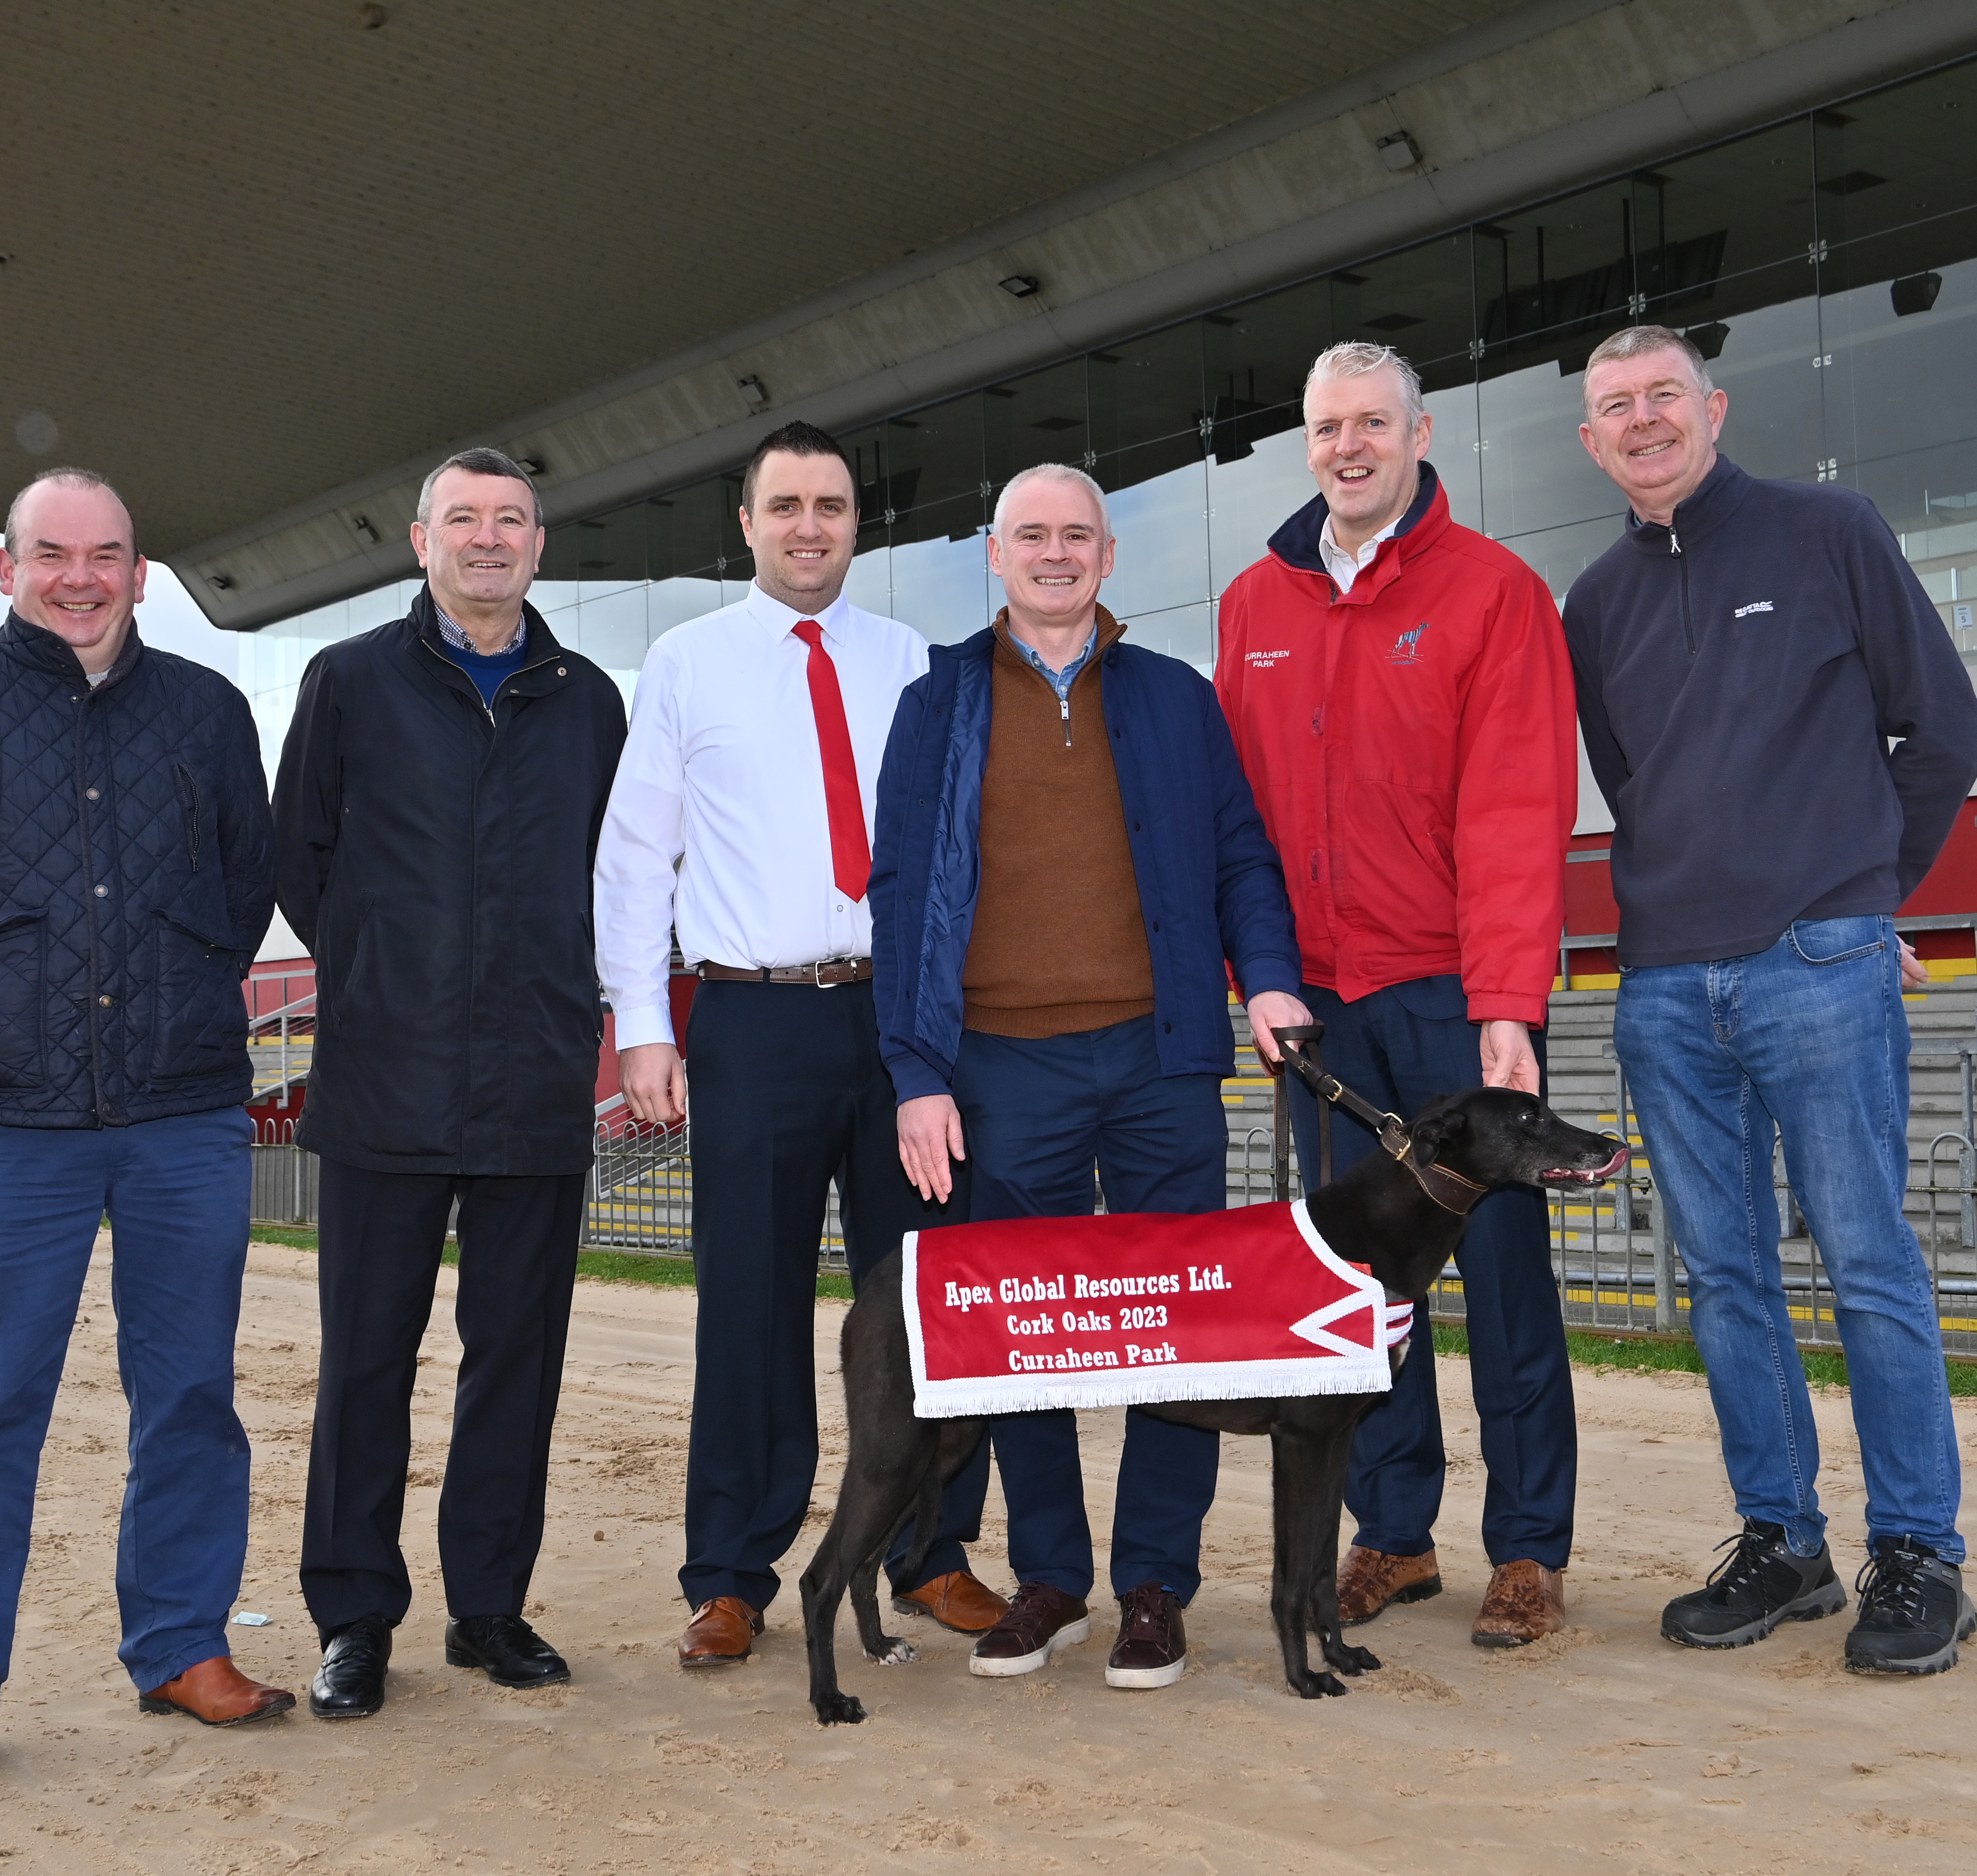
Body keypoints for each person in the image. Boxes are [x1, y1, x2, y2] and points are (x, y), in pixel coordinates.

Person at [0, 467, 287, 1800]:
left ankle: (181, 1645)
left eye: (107, 555)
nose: (80, 576)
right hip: (7, 1126)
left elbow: (248, 888)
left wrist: (178, 1001)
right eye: (53, 553)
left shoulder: (208, 713)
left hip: (183, 1115)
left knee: (193, 1401)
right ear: (6, 566)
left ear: (142, 572)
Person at [1563, 324, 1977, 1674]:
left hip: (1819, 966)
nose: (1642, 422)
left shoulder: (1830, 530)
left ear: (1714, 406)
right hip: (1667, 985)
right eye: (1615, 407)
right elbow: (1632, 786)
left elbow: (1946, 730)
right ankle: (1783, 1542)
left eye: (1663, 397)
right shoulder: (1591, 603)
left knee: (1870, 1268)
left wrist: (1864, 897)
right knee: (1730, 1286)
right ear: (1592, 442)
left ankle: (1920, 1554)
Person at [871, 462, 1310, 1692]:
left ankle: (1154, 1586)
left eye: (1077, 535)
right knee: (1031, 1340)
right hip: (1002, 1065)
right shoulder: (938, 701)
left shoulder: (1176, 697)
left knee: (1177, 1333)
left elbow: (1241, 854)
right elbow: (900, 893)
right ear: (994, 555)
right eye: (1032, 536)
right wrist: (916, 1070)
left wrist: (1267, 973)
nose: (1055, 553)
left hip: (1160, 1054)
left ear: (1108, 557)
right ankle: (1053, 1578)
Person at [592, 420, 1000, 1671]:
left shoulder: (915, 661)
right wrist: (644, 1025)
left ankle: (930, 1551)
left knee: (926, 1302)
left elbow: (956, 848)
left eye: (830, 504)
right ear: (748, 522)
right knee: (750, 1307)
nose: (809, 525)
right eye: (786, 505)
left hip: (901, 1027)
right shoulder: (686, 661)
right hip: (753, 1019)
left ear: (855, 520)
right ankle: (729, 1572)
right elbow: (633, 855)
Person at [1215, 342, 1583, 1649]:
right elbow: (1238, 822)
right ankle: (1394, 1532)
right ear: (1305, 442)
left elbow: (1516, 812)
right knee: (1364, 1291)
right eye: (1327, 426)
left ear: (1422, 435)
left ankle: (1529, 1546)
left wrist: (1504, 1003)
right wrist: (1258, 980)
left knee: (1504, 1276)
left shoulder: (1495, 592)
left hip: (1453, 997)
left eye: (1374, 422)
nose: (1350, 446)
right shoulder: (1255, 603)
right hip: (1324, 1008)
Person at [272, 448, 626, 1717]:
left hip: (535, 1083)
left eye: (512, 520)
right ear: (419, 540)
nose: (489, 540)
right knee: (368, 1359)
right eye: (464, 520)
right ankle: (355, 1615)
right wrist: (384, 971)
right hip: (386, 1081)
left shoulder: (590, 700)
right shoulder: (351, 681)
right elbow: (300, 861)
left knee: (515, 1360)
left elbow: (612, 875)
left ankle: (488, 1606)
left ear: (542, 543)